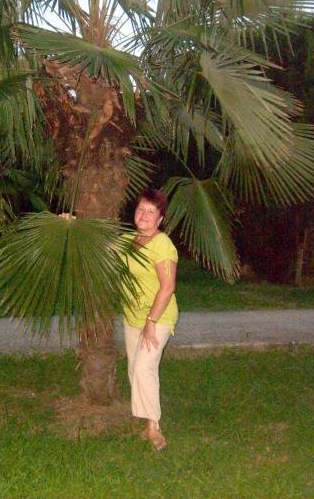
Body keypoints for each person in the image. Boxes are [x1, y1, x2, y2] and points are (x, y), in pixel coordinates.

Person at [122, 188, 178, 451]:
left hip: (158, 317)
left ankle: (154, 427)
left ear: (160, 219)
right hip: (132, 316)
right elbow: (98, 245)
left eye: (151, 211)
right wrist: (71, 223)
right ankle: (148, 421)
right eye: (141, 209)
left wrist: (151, 321)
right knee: (136, 369)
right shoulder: (127, 240)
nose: (144, 215)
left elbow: (167, 287)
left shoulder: (162, 244)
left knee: (143, 368)